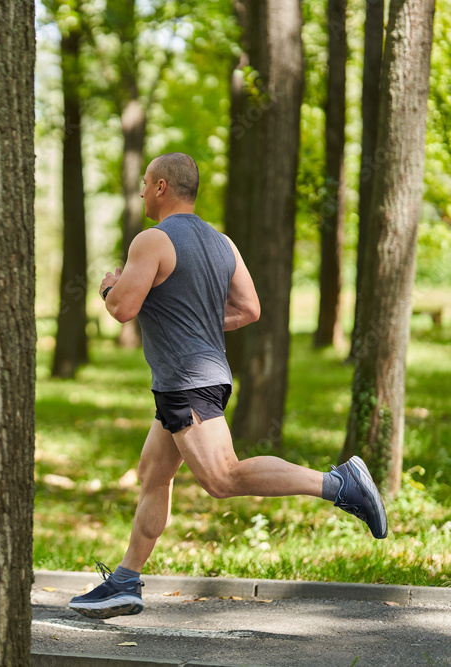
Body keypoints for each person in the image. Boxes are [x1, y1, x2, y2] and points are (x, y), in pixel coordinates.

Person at [68, 152, 388, 620]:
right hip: (203, 375)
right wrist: (192, 323)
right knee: (153, 474)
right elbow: (249, 309)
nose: (140, 192)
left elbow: (122, 309)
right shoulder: (223, 244)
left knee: (222, 477)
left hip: (185, 383)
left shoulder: (151, 241)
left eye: (145, 183)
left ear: (161, 188)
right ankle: (124, 581)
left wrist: (107, 286)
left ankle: (340, 484)